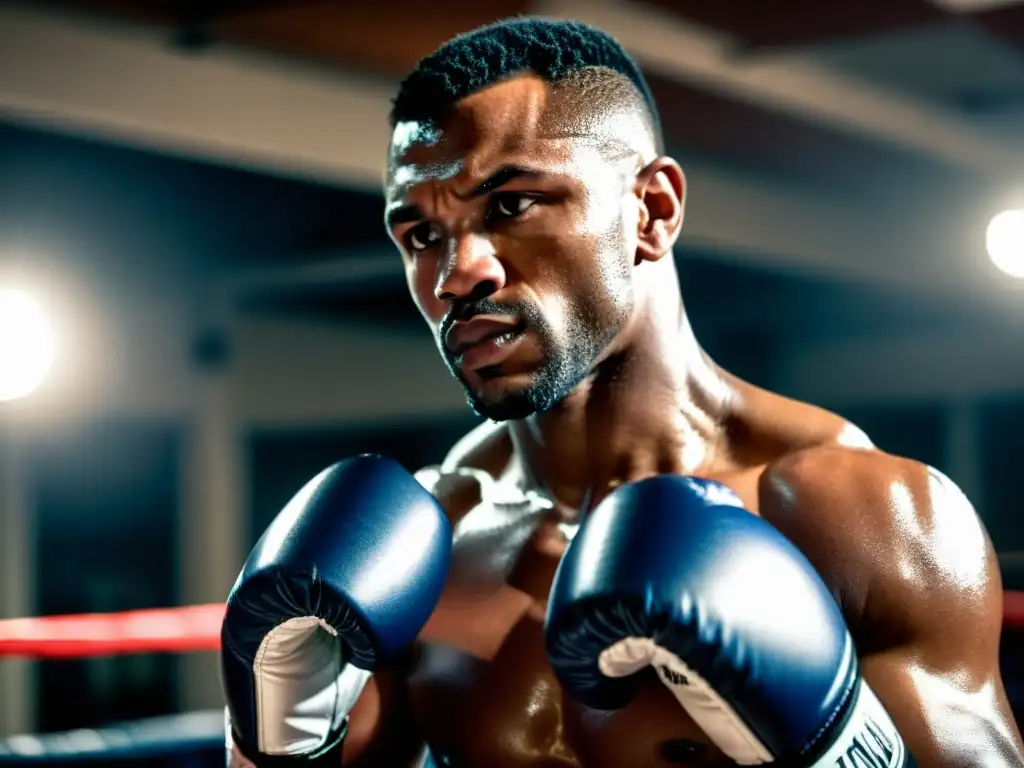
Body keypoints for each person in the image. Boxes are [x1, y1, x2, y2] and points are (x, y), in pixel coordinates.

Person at [222, 17, 1024, 767]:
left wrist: (837, 740)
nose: (455, 272)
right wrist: (272, 740)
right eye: (421, 235)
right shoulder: (429, 538)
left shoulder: (860, 516)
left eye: (512, 205)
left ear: (653, 210)